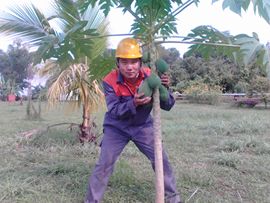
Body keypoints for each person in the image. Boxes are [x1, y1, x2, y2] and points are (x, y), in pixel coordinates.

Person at [85, 38, 181, 203]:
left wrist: (164, 87)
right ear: (118, 63)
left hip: (143, 126)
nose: (129, 67)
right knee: (104, 164)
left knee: (161, 160)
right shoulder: (109, 80)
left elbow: (168, 105)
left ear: (140, 62)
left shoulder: (150, 75)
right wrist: (133, 103)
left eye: (134, 62)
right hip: (116, 127)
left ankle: (172, 199)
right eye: (124, 62)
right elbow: (114, 110)